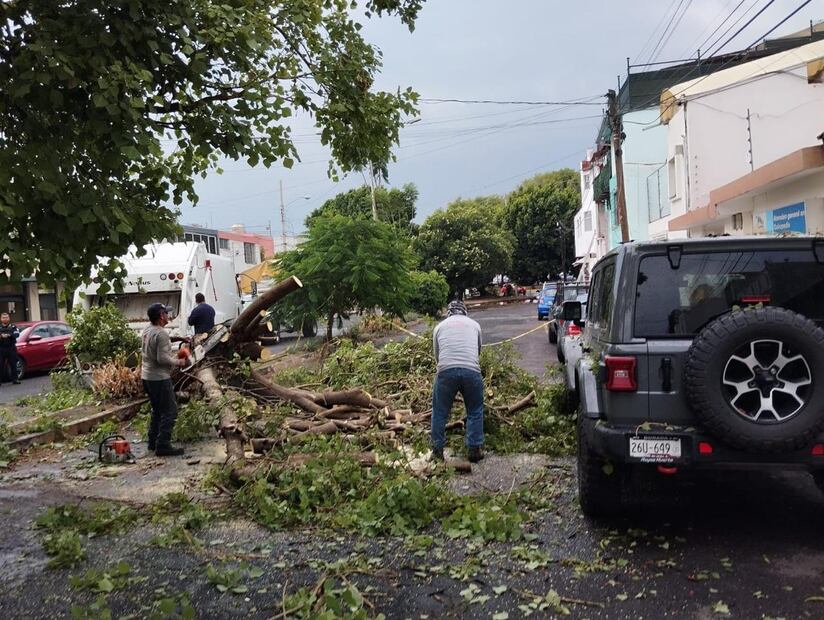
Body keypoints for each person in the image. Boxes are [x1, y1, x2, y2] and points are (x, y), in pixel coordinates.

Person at [430, 300, 485, 463]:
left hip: (446, 371)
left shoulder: (439, 327)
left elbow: (437, 355)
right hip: (471, 371)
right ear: (464, 312)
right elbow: (478, 350)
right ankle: (474, 449)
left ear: (449, 312)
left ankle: (437, 451)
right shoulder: (475, 325)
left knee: (439, 411)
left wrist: (446, 368)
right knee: (475, 410)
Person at [141, 303, 189, 456]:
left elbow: (161, 341)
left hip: (147, 376)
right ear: (161, 316)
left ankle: (153, 441)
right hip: (159, 378)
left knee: (157, 410)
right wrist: (178, 362)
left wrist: (179, 338)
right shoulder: (161, 333)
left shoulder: (148, 329)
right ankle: (163, 444)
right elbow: (162, 358)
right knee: (170, 411)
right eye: (166, 313)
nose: (168, 315)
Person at [0, 313, 21, 385]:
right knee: (0, 364)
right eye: (3, 317)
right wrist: (1, 336)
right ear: (1, 319)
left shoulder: (13, 327)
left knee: (13, 364)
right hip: (1, 348)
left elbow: (17, 334)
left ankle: (15, 379)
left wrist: (9, 335)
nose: (5, 319)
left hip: (11, 348)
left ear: (9, 318)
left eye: (6, 317)